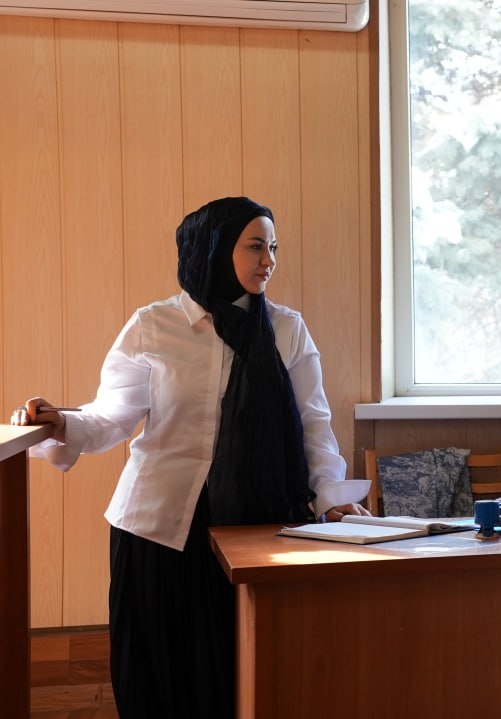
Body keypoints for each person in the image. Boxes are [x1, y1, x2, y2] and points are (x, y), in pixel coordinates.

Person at [9, 196, 370, 718]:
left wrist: (331, 498)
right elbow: (112, 416)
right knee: (160, 677)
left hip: (252, 527)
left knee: (237, 673)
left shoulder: (287, 329)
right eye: (255, 246)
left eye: (273, 248)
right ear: (214, 247)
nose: (268, 260)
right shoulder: (154, 325)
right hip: (157, 527)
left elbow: (315, 426)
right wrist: (60, 421)